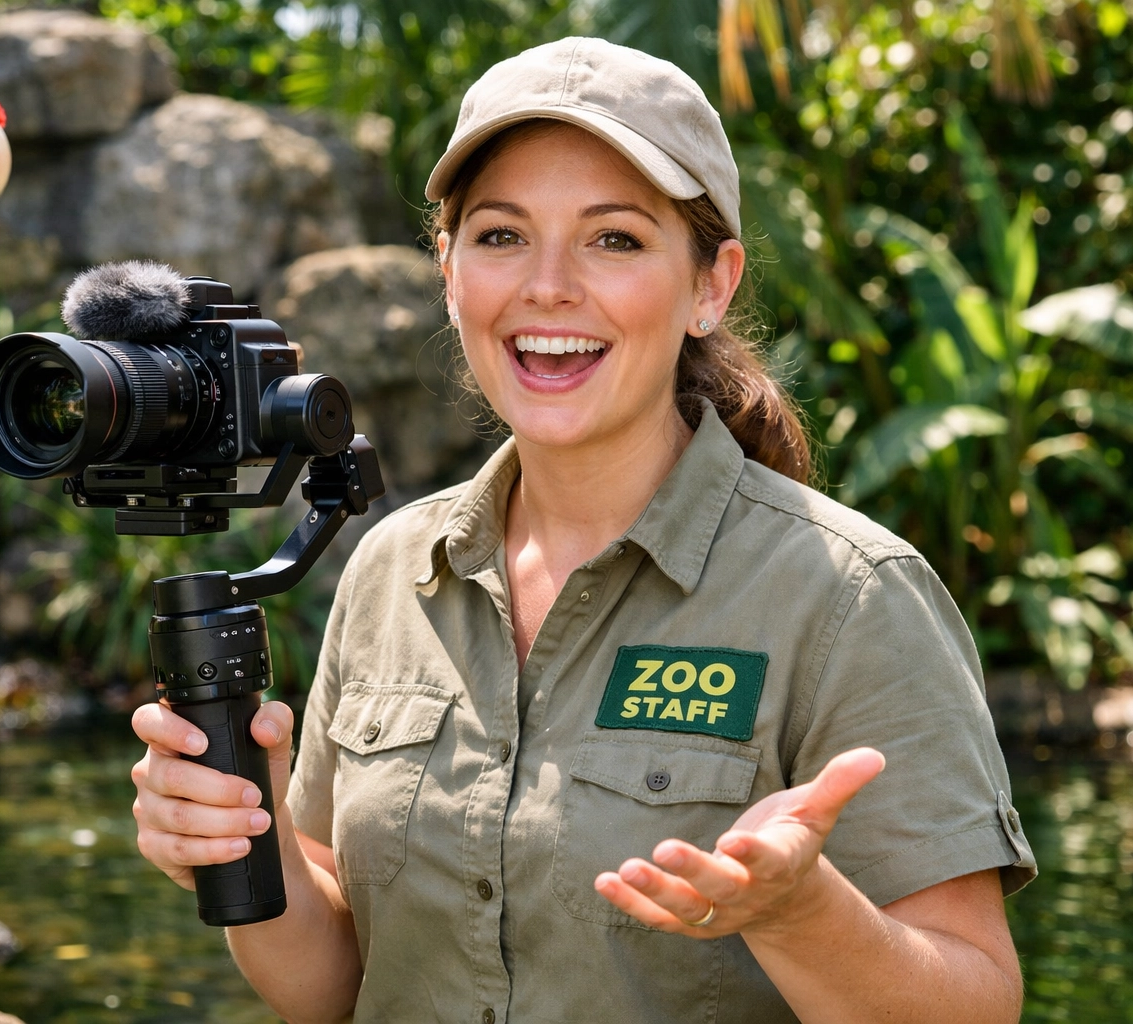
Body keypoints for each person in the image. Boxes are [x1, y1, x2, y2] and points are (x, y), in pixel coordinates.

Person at [130, 38, 1036, 1024]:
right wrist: (239, 834)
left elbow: (976, 999)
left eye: (615, 239)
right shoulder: (394, 568)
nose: (549, 287)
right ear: (448, 269)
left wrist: (800, 909)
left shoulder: (851, 592)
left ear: (710, 285)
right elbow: (338, 984)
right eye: (502, 235)